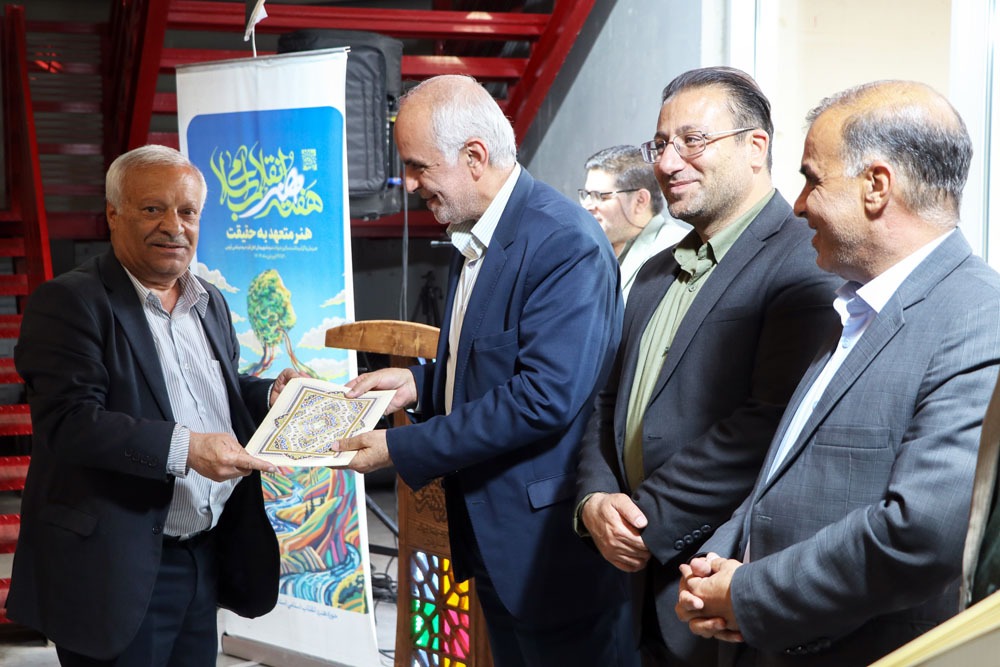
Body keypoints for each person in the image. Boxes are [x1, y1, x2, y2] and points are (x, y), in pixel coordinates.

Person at [677, 80, 1000, 667]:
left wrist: (747, 593)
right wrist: (717, 563)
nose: (798, 205)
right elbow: (785, 472)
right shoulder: (857, 305)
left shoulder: (980, 318)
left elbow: (923, 532)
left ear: (876, 186)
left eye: (812, 180)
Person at [332, 75, 636, 666]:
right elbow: (491, 361)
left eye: (418, 167)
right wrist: (418, 383)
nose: (409, 184)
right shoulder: (475, 230)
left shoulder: (562, 241)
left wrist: (399, 447)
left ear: (474, 156)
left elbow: (542, 397)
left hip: (549, 551)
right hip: (494, 540)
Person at [574, 66, 840, 666]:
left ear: (755, 146)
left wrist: (644, 522)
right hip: (627, 580)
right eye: (660, 145)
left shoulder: (804, 260)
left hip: (716, 579)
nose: (668, 163)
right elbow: (605, 400)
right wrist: (594, 499)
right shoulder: (652, 272)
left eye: (692, 141)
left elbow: (768, 424)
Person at [7, 145, 301, 666]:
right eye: (153, 209)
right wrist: (186, 449)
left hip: (204, 554)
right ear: (113, 214)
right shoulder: (70, 302)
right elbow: (70, 423)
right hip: (116, 567)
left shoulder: (208, 300)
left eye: (187, 212)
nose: (174, 226)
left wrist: (267, 396)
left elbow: (211, 390)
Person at [580, 145, 689, 301]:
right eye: (586, 195)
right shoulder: (589, 249)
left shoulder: (677, 250)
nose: (587, 206)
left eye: (600, 196)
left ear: (640, 200)